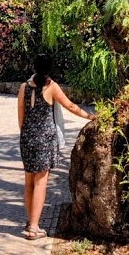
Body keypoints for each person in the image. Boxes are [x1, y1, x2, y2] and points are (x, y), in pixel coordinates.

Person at [18, 53, 94, 239]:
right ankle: (34, 228)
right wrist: (91, 116)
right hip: (45, 140)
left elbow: (21, 116)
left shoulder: (23, 87)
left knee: (29, 181)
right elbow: (71, 106)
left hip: (27, 138)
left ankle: (30, 221)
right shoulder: (51, 87)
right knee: (40, 183)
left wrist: (27, 134)